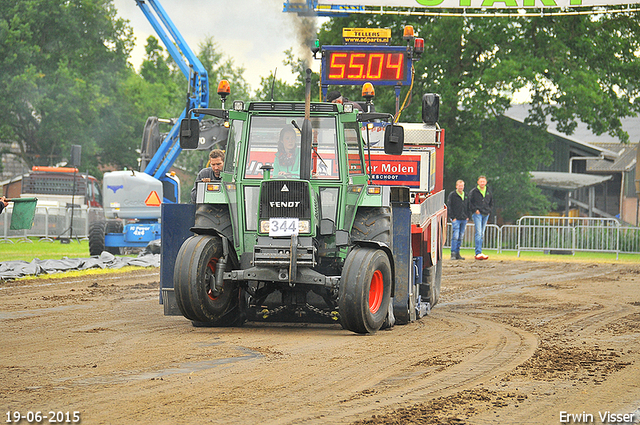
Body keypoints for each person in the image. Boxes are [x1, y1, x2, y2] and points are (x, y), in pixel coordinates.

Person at [468, 175, 494, 260]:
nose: (482, 183)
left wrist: (489, 211)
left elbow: (491, 202)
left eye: (484, 181)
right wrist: (475, 210)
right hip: (477, 214)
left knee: (482, 233)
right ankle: (478, 252)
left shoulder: (488, 191)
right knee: (478, 233)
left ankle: (480, 251)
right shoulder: (474, 192)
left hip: (485, 214)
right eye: (481, 181)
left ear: (486, 182)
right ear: (478, 182)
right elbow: (470, 202)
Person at [447, 180, 469, 260]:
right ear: (456, 186)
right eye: (459, 186)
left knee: (460, 236)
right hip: (456, 219)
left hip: (463, 218)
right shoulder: (453, 195)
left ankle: (457, 253)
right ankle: (453, 253)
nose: (461, 187)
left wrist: (467, 216)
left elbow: (468, 206)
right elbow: (449, 206)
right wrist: (452, 217)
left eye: (462, 186)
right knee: (455, 236)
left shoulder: (466, 195)